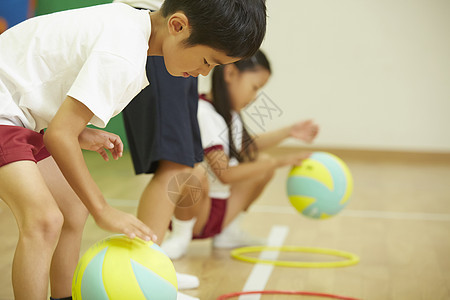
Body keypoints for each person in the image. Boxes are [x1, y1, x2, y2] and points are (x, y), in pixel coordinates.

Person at [0, 1, 267, 299]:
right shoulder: (123, 53)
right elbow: (60, 135)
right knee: (44, 220)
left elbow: (43, 90)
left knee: (72, 211)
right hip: (6, 115)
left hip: (15, 116)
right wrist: (102, 209)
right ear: (177, 26)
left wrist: (80, 132)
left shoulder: (130, 31)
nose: (204, 73)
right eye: (207, 61)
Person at [160, 50, 319, 260]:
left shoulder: (229, 113)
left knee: (261, 164)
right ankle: (180, 238)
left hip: (221, 207)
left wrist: (288, 132)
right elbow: (225, 174)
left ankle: (228, 233)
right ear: (230, 74)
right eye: (254, 87)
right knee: (195, 174)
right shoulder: (204, 113)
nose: (255, 97)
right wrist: (278, 162)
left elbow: (245, 148)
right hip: (200, 213)